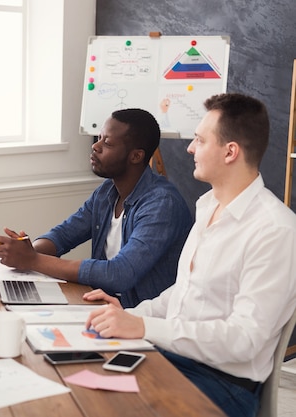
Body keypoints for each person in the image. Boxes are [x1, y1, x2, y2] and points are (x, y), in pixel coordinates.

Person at [85, 93, 296, 417]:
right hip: (173, 356)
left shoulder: (275, 230)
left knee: (103, 405)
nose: (190, 148)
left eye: (199, 140)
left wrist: (143, 328)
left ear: (230, 152)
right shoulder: (208, 205)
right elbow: (183, 294)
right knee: (82, 379)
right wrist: (132, 315)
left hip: (223, 383)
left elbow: (244, 339)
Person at [0, 108, 192, 308]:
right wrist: (28, 251)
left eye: (107, 143)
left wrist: (33, 260)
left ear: (136, 156)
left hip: (141, 319)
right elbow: (64, 234)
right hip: (103, 306)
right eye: (99, 138)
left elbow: (120, 273)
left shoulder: (162, 204)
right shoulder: (107, 192)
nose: (95, 147)